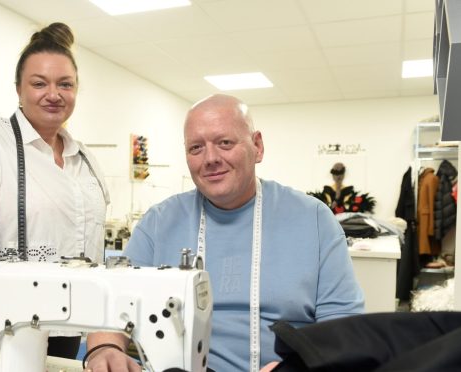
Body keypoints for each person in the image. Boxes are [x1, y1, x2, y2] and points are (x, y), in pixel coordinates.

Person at [86, 94, 363, 371]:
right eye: (196, 148)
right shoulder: (158, 223)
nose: (210, 158)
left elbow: (343, 327)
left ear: (257, 146)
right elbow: (113, 305)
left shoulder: (313, 220)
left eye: (225, 143)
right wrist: (105, 348)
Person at [0, 22, 109, 358]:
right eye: (39, 83)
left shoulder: (85, 160)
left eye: (65, 84)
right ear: (18, 89)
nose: (53, 94)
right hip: (6, 325)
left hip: (72, 322)